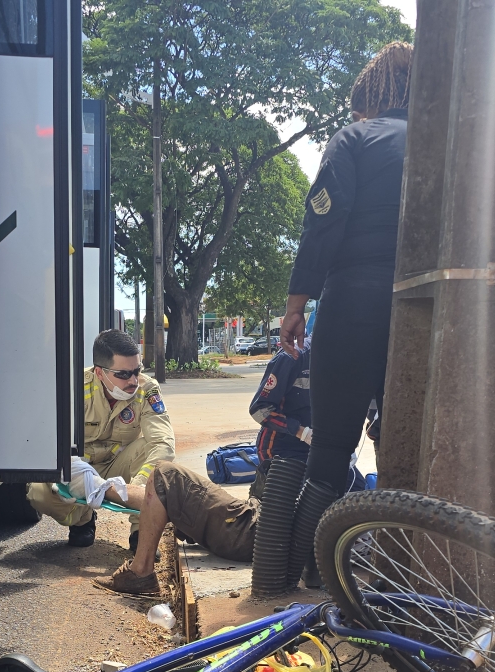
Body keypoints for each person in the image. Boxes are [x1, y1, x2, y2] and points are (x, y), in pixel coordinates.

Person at [278, 41, 412, 586]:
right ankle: (399, 565)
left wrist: (296, 302)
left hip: (355, 299)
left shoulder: (356, 138)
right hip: (427, 310)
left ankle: (306, 569)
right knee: (402, 440)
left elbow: (324, 222)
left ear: (369, 101)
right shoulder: (451, 142)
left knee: (332, 442)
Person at [27, 329, 175, 547]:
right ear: (99, 372)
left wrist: (139, 489)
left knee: (155, 452)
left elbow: (163, 443)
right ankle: (83, 519)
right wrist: (86, 482)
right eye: (123, 374)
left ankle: (141, 533)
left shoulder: (147, 389)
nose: (133, 380)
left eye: (137, 370)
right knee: (39, 493)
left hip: (118, 464)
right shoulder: (73, 387)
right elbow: (48, 441)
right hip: (80, 468)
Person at [95, 463, 259, 596]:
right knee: (164, 490)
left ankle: (140, 571)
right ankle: (98, 487)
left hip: (250, 529)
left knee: (165, 474)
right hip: (254, 521)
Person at [248, 335, 312, 495]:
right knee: (297, 505)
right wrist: (302, 432)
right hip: (282, 447)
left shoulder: (341, 360)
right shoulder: (292, 357)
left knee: (354, 488)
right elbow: (259, 411)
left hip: (319, 446)